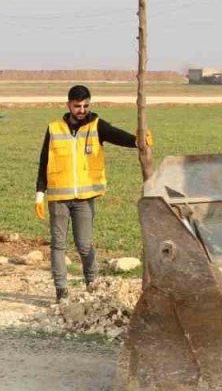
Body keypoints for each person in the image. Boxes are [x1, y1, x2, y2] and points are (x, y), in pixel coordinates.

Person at [34, 84, 151, 302]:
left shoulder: (96, 126)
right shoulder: (54, 129)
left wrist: (138, 141)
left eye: (85, 105)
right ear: (68, 104)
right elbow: (44, 162)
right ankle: (61, 291)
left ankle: (93, 284)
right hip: (58, 197)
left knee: (84, 244)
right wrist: (39, 193)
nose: (81, 110)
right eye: (77, 106)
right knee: (58, 244)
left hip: (85, 199)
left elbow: (117, 135)